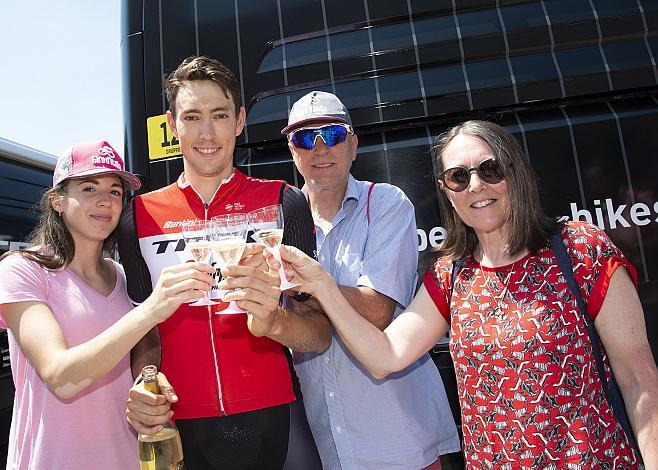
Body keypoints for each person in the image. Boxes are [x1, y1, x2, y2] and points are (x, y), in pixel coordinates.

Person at [227, 120, 658, 467]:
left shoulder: (582, 251)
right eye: (458, 177)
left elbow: (640, 382)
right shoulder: (453, 275)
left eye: (489, 169)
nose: (475, 185)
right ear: (447, 193)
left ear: (516, 173)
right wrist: (321, 284)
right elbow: (385, 356)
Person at [223, 91, 460, 469]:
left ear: (353, 144)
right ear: (292, 150)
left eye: (332, 135)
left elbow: (377, 311)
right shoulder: (277, 223)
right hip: (329, 444)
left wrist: (308, 284)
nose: (320, 149)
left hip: (402, 439)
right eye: (305, 138)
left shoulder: (386, 203)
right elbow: (301, 331)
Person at [118, 55, 323, 470]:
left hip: (266, 413)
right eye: (192, 117)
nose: (206, 132)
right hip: (177, 419)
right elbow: (144, 330)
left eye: (220, 115)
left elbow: (319, 333)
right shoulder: (137, 217)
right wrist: (145, 376)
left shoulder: (285, 202)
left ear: (240, 119)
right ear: (172, 125)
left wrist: (273, 321)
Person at [0, 140, 215, 469]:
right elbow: (60, 376)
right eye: (89, 188)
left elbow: (136, 358)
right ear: (57, 200)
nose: (105, 200)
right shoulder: (23, 270)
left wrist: (148, 385)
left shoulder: (121, 276)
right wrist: (151, 309)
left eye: (115, 191)